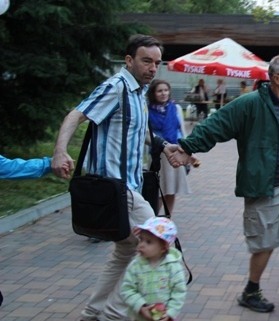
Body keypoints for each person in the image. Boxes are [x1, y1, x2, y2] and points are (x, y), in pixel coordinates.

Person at [167, 54, 279, 315]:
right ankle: (251, 291)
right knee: (265, 243)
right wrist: (187, 147)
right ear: (275, 78)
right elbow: (217, 124)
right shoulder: (250, 104)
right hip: (263, 183)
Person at [51, 34, 169, 321]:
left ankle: (92, 313)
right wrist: (59, 151)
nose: (152, 68)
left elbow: (139, 132)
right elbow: (76, 115)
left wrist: (166, 148)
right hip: (116, 187)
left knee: (127, 249)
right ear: (129, 61)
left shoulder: (139, 92)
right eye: (146, 61)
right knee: (159, 246)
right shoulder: (116, 87)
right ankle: (114, 315)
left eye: (157, 63)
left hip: (130, 187)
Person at [121, 217, 186, 321]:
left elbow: (179, 292)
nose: (141, 245)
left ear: (163, 247)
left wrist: (171, 312)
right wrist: (141, 307)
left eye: (149, 242)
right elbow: (127, 289)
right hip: (140, 317)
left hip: (164, 317)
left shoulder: (173, 266)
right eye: (141, 239)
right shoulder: (136, 265)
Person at [147, 79, 191, 215]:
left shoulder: (175, 108)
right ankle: (153, 219)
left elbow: (182, 130)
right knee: (158, 190)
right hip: (158, 154)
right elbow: (146, 134)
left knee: (172, 190)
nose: (163, 93)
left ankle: (167, 219)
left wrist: (187, 150)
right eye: (159, 91)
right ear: (153, 93)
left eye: (166, 90)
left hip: (175, 152)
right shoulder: (147, 110)